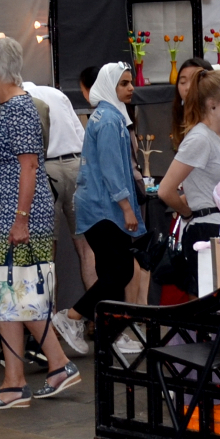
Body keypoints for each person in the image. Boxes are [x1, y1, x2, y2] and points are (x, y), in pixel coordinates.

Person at [0, 36, 76, 409]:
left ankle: (58, 364)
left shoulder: (17, 110)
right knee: (8, 298)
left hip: (19, 221)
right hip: (10, 219)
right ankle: (14, 382)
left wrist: (20, 221)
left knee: (17, 297)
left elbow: (29, 166)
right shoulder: (12, 107)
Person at [55, 62, 144, 361]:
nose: (130, 88)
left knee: (112, 271)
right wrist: (126, 207)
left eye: (130, 83)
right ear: (109, 87)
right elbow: (110, 169)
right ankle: (72, 315)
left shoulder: (111, 118)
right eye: (124, 84)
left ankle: (111, 336)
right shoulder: (108, 120)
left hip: (101, 207)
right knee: (120, 269)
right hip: (103, 208)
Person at [155, 66, 220, 299]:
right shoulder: (200, 138)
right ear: (212, 103)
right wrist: (188, 213)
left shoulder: (219, 136)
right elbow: (166, 190)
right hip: (207, 232)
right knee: (211, 309)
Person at [20, 72, 90, 290]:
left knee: (46, 252)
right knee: (87, 248)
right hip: (76, 165)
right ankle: (98, 317)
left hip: (45, 170)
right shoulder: (55, 93)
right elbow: (81, 135)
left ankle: (48, 320)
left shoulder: (17, 100)